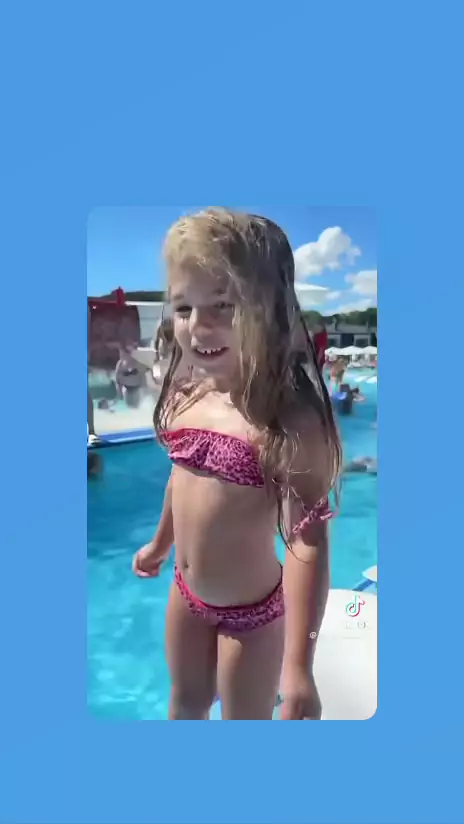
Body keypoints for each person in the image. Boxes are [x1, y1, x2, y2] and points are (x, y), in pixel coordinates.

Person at [132, 209, 342, 721]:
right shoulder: (187, 397)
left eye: (223, 305)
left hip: (253, 614)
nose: (198, 326)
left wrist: (299, 668)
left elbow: (307, 540)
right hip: (186, 594)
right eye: (184, 307)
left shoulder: (287, 421)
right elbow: (182, 481)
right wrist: (160, 544)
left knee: (243, 719)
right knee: (184, 704)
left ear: (270, 310)